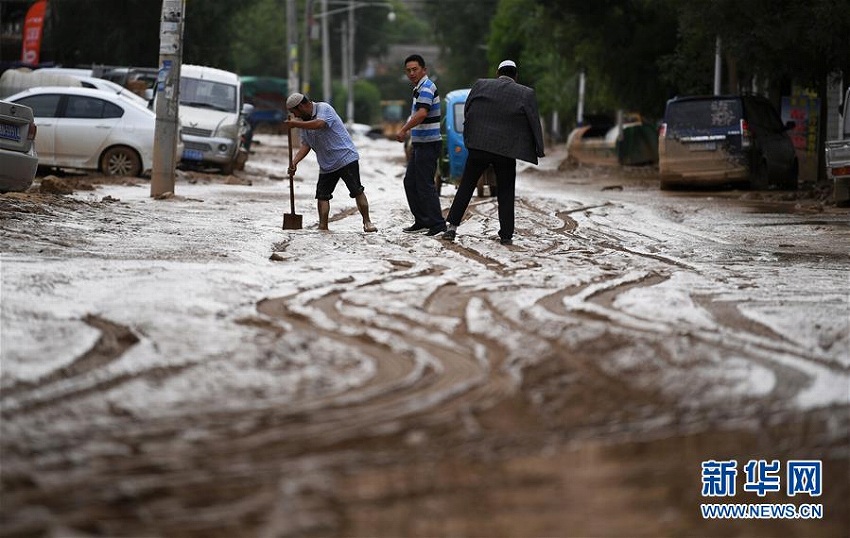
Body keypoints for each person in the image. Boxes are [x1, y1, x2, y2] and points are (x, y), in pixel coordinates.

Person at [441, 60, 545, 245]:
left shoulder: (480, 84)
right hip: (506, 150)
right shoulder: (525, 93)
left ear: (498, 73)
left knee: (466, 186)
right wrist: (539, 148)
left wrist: (470, 135)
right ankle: (506, 235)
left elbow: (468, 110)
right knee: (505, 190)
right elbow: (533, 121)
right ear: (516, 76)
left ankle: (451, 228)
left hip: (478, 146)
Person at [284, 93, 377, 233]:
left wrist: (295, 124)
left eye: (294, 111)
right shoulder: (304, 122)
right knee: (322, 195)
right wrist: (294, 162)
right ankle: (323, 227)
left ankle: (367, 222)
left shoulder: (323, 108)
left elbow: (319, 124)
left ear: (302, 106)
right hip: (326, 164)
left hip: (345, 157)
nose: (294, 115)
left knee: (356, 190)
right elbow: (306, 145)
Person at [395, 54, 446, 236]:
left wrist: (404, 129)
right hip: (420, 144)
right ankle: (423, 220)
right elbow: (417, 114)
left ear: (424, 70)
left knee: (425, 185)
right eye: (408, 70)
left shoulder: (427, 87)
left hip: (429, 144)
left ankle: (438, 224)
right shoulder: (418, 89)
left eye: (415, 69)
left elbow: (422, 114)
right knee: (410, 182)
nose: (411, 73)